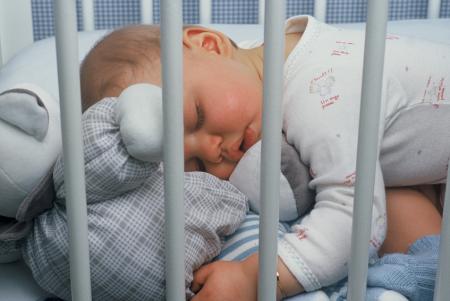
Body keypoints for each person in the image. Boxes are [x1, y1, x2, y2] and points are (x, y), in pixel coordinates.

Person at [79, 15, 449, 300]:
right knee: (397, 204)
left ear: (208, 43)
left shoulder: (321, 92)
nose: (212, 150)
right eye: (195, 165)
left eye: (197, 115)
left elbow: (354, 219)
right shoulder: (265, 62)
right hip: (423, 169)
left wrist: (253, 278)